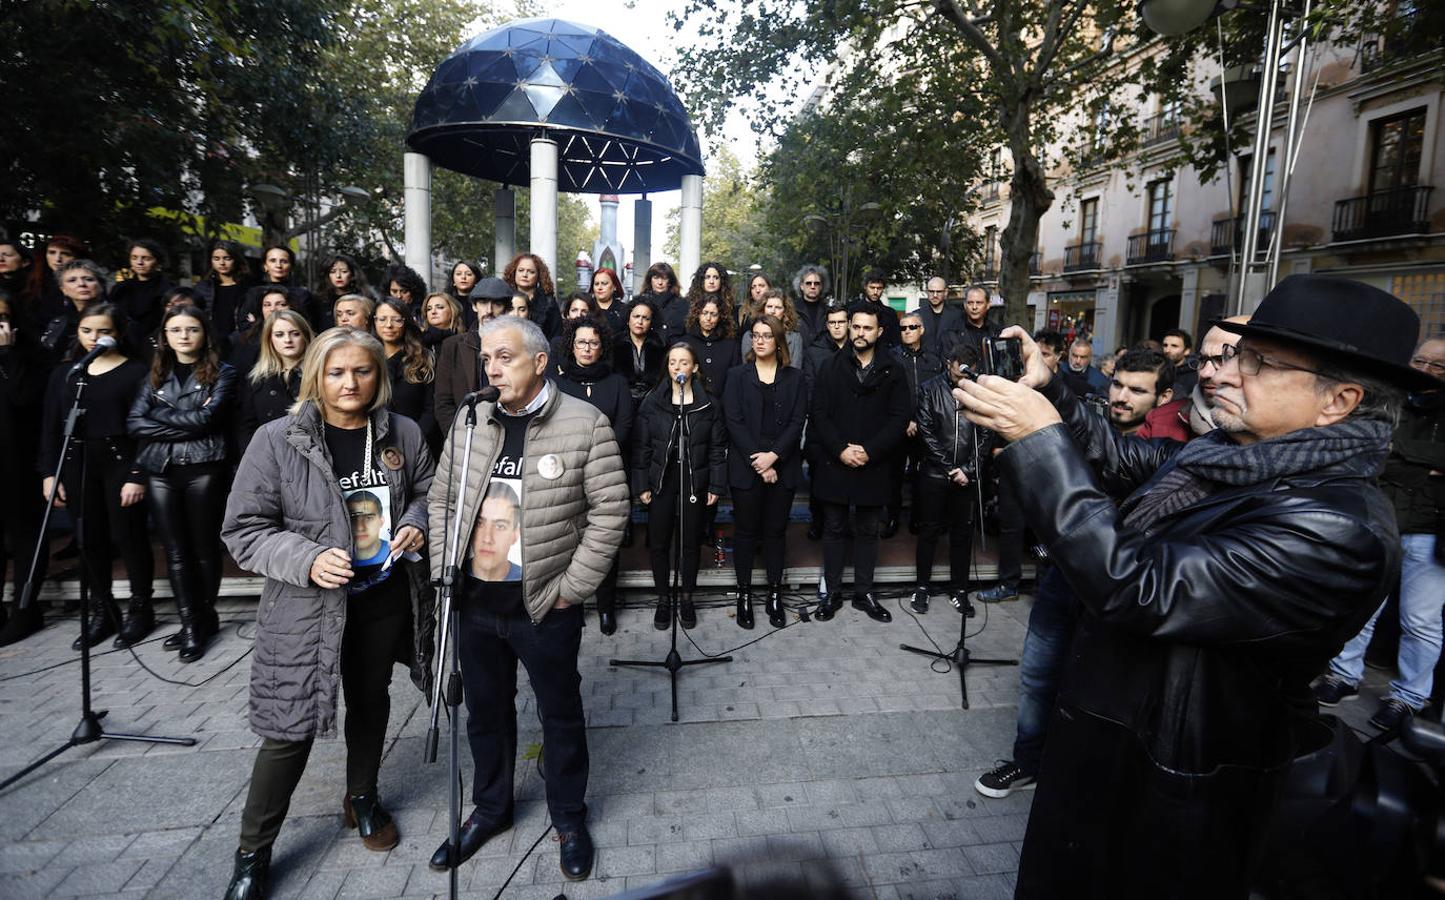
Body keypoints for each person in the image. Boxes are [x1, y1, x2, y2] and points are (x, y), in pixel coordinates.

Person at [952, 274, 1429, 896]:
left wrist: (1036, 440)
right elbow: (1121, 460)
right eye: (1232, 356)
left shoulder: (1337, 526)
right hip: (1115, 743)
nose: (1224, 374)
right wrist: (1057, 396)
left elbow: (1136, 587)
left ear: (1337, 401)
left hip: (1173, 782)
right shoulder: (1229, 456)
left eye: (1256, 363)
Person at [220, 327, 435, 899]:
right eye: (337, 372)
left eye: (362, 371)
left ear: (378, 376)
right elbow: (243, 531)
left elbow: (429, 491)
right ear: (315, 375)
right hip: (304, 609)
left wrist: (418, 522)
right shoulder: (276, 440)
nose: (349, 382)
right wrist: (309, 558)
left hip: (382, 600)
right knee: (288, 729)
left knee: (372, 701)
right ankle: (252, 852)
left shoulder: (402, 432)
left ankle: (362, 796)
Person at [425, 315, 626, 882]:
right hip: (475, 605)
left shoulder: (585, 424)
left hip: (544, 608)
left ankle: (568, 818)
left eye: (505, 357)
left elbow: (611, 511)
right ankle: (491, 811)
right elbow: (443, 501)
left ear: (540, 362)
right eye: (487, 358)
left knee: (559, 715)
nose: (492, 369)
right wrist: (446, 572)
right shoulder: (470, 422)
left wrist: (571, 589)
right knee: (485, 715)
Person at [1314, 336, 1445, 733]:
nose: (1423, 369)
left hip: (1429, 529)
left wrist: (1398, 453)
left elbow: (1391, 452)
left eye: (1435, 365)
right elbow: (1367, 448)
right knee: (1362, 607)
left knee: (1420, 621)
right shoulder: (1391, 398)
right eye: (1418, 360)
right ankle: (1343, 676)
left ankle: (1408, 698)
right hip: (1379, 517)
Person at [39, 303, 153, 650]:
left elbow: (147, 428)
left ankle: (140, 607)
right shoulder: (68, 373)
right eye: (87, 330)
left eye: (103, 331)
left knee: (128, 535)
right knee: (88, 537)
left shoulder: (136, 371)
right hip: (77, 462)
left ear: (117, 333)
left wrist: (138, 473)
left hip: (119, 461)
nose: (94, 338)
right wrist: (49, 472)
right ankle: (102, 610)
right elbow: (50, 426)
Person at [127, 306, 237, 661]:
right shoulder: (155, 374)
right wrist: (183, 422)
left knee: (204, 547)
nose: (184, 336)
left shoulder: (224, 372)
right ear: (165, 336)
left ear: (204, 334)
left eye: (192, 329)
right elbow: (134, 423)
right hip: (160, 469)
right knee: (174, 551)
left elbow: (207, 420)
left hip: (204, 466)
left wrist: (160, 417)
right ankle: (191, 623)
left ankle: (204, 619)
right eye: (176, 330)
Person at [809, 304, 910, 623]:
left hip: (875, 463)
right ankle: (832, 593)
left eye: (868, 328)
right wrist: (841, 449)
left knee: (868, 530)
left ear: (879, 332)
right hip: (835, 462)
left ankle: (864, 593)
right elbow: (819, 414)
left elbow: (899, 418)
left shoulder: (894, 370)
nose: (860, 333)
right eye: (856, 327)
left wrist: (870, 450)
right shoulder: (828, 367)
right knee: (835, 528)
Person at [634, 341, 727, 630]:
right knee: (659, 541)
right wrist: (641, 484)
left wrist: (715, 484)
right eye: (673, 362)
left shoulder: (708, 403)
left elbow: (717, 447)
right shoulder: (653, 401)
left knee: (689, 542)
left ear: (695, 368)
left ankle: (686, 597)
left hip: (693, 479)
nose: (677, 367)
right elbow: (642, 446)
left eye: (684, 362)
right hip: (661, 479)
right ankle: (663, 598)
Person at [554, 316, 634, 635]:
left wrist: (598, 457)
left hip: (607, 475)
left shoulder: (617, 383)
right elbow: (552, 428)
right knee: (569, 542)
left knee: (604, 544)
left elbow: (626, 423)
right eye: (581, 343)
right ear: (572, 347)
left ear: (603, 347)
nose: (587, 348)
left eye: (593, 343)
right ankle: (570, 605)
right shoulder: (559, 385)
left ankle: (605, 607)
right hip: (568, 476)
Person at [724, 315, 806, 629]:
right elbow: (734, 421)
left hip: (782, 467)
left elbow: (797, 421)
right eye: (755, 335)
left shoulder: (795, 377)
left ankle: (774, 593)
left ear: (778, 341)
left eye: (766, 336)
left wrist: (774, 457)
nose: (759, 341)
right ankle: (743, 594)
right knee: (744, 533)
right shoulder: (736, 376)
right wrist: (760, 462)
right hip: (747, 468)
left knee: (775, 533)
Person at [910, 343, 990, 613]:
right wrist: (949, 468)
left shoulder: (980, 391)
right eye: (957, 376)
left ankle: (960, 589)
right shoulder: (930, 389)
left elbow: (987, 433)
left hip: (966, 476)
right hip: (935, 474)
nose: (962, 381)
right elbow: (926, 431)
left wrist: (968, 469)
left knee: (962, 534)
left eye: (967, 376)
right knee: (929, 530)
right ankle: (921, 587)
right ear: (948, 365)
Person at [0, 290, 51, 645]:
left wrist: (7, 354)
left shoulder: (31, 356)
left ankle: (25, 609)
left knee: (25, 535)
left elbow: (23, 399)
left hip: (17, 460)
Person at [887, 311, 943, 537]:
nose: (907, 331)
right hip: (898, 428)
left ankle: (918, 520)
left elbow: (938, 394)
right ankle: (892, 519)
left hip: (925, 429)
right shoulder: (890, 358)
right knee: (893, 476)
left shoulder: (934, 359)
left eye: (912, 327)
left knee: (923, 478)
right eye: (903, 328)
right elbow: (888, 395)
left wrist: (920, 421)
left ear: (921, 330)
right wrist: (904, 422)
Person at [435, 277, 511, 434]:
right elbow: (443, 403)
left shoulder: (518, 346)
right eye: (483, 303)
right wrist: (459, 438)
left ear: (507, 309)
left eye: (497, 304)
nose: (489, 310)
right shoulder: (452, 346)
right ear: (474, 306)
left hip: (507, 430)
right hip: (466, 434)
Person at [802, 303, 851, 541]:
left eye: (841, 322)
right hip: (820, 427)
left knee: (849, 479)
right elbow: (810, 390)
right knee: (818, 478)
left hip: (851, 427)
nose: (837, 327)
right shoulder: (815, 351)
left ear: (849, 323)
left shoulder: (858, 349)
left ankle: (844, 525)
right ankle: (817, 521)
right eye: (832, 323)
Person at [236, 310, 313, 452]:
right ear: (269, 339)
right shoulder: (257, 378)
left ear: (305, 336)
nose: (288, 340)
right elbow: (247, 426)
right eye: (279, 335)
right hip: (268, 456)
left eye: (295, 333)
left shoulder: (320, 374)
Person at [372, 298, 436, 450]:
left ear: (406, 322)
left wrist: (414, 440)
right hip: (374, 444)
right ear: (374, 321)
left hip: (416, 442)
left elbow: (431, 408)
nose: (388, 325)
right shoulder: (366, 358)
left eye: (396, 320)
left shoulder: (423, 358)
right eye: (382, 319)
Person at [38, 258, 110, 369]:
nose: (81, 284)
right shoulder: (57, 323)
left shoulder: (117, 319)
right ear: (63, 290)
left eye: (89, 279)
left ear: (100, 285)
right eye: (72, 280)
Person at [110, 239, 175, 350]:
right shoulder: (120, 289)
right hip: (123, 345)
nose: (139, 262)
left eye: (146, 258)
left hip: (157, 346)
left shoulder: (169, 290)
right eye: (134, 258)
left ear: (157, 262)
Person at [1105, 348, 1176, 436]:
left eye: (1136, 390)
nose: (1121, 398)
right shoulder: (1090, 429)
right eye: (1117, 385)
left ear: (1163, 397)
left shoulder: (1168, 446)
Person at [682, 293, 739, 399]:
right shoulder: (685, 342)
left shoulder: (731, 344)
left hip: (722, 406)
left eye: (714, 314)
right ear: (697, 314)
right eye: (704, 313)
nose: (708, 318)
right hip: (692, 404)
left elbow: (734, 382)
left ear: (721, 317)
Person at [193, 239, 252, 339]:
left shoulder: (249, 287)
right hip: (212, 340)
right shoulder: (203, 287)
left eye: (227, 258)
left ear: (236, 259)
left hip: (242, 339)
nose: (222, 263)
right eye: (216, 258)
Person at [245, 245, 314, 327]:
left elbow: (308, 324)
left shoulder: (302, 294)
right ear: (265, 266)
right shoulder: (254, 293)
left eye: (284, 261)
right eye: (273, 260)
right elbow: (245, 324)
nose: (278, 265)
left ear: (291, 266)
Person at [614, 296, 664, 403]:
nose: (640, 321)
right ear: (628, 318)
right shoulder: (614, 344)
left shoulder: (661, 345)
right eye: (636, 316)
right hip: (621, 399)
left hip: (653, 401)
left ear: (651, 322)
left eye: (646, 318)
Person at [502, 252, 562, 339]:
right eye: (521, 270)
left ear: (539, 275)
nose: (525, 275)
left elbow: (556, 336)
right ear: (514, 272)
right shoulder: (504, 298)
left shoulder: (548, 302)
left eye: (531, 272)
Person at [315, 255, 371, 331]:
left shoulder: (363, 298)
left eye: (344, 271)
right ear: (327, 275)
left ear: (352, 274)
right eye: (333, 272)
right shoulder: (320, 301)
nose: (338, 276)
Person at [639, 261, 687, 343]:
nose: (660, 282)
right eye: (656, 278)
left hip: (673, 351)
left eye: (664, 278)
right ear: (650, 280)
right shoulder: (639, 303)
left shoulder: (682, 304)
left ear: (670, 281)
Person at [916, 276, 963, 355]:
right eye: (931, 291)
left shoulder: (957, 315)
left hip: (949, 363)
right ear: (927, 292)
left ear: (946, 292)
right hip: (924, 363)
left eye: (939, 292)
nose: (935, 295)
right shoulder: (917, 315)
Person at [757, 288, 803, 368]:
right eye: (769, 306)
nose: (773, 311)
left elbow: (795, 371)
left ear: (785, 312)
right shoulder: (750, 336)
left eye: (778, 307)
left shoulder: (795, 338)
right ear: (763, 309)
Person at [858, 269, 900, 348]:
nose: (875, 292)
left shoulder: (890, 314)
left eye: (879, 288)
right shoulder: (854, 310)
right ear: (865, 287)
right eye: (872, 287)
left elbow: (896, 341)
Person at [792, 264, 831, 346]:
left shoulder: (829, 312)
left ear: (821, 286)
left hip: (823, 356)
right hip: (799, 356)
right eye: (808, 283)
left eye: (816, 283)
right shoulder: (792, 310)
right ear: (801, 286)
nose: (813, 286)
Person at [590, 267, 627, 336]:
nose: (600, 287)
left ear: (614, 286)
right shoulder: (587, 307)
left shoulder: (624, 310)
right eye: (596, 284)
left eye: (604, 283)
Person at [1161, 327, 1197, 396]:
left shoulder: (1194, 375)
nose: (1167, 350)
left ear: (1186, 351)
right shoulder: (1158, 370)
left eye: (1174, 346)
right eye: (1165, 345)